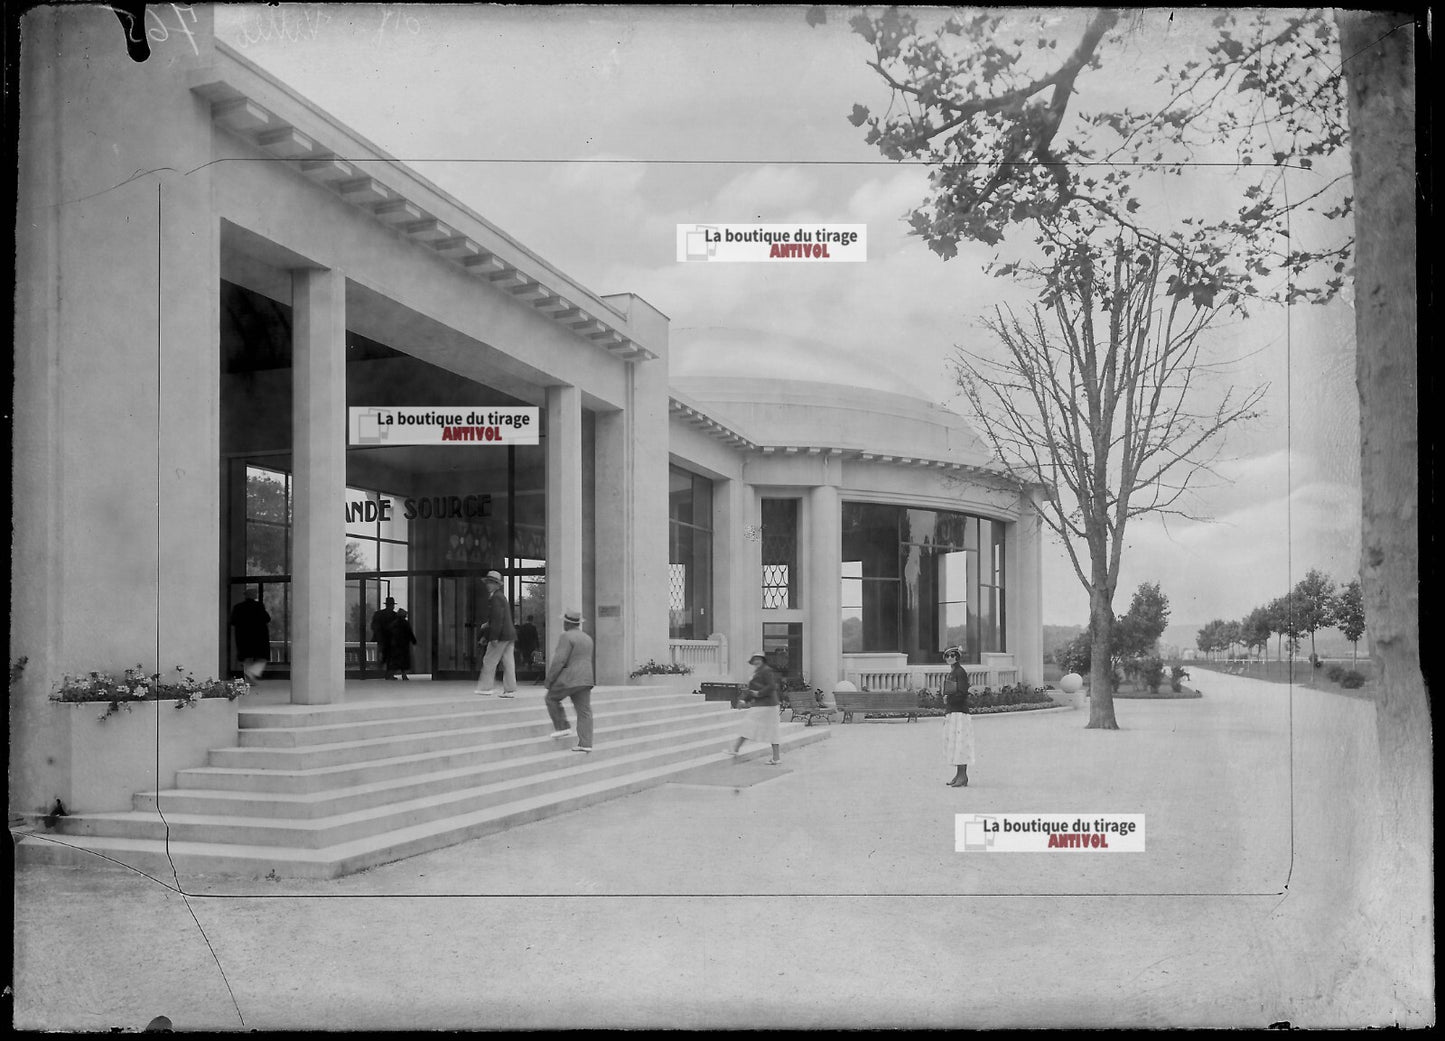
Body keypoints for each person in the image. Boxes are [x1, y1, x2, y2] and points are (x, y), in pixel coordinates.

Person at [543, 609, 595, 752]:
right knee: (584, 711)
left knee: (551, 699)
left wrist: (549, 680)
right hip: (586, 679)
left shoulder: (566, 636)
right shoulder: (587, 638)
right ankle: (586, 743)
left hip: (569, 678)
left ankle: (562, 727)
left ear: (567, 623)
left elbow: (559, 661)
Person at [729, 652, 782, 765]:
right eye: (754, 659)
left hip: (767, 704)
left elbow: (772, 686)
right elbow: (751, 689)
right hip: (765, 704)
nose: (756, 661)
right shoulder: (757, 672)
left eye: (758, 659)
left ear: (763, 660)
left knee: (749, 724)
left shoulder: (766, 670)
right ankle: (776, 757)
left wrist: (759, 694)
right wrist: (744, 700)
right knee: (770, 729)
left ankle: (735, 748)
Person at [473, 570, 518, 697]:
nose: (488, 585)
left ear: (497, 584)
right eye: (488, 582)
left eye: (491, 583)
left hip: (501, 635)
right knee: (508, 662)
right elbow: (496, 619)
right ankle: (510, 689)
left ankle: (486, 687)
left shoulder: (495, 598)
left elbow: (497, 619)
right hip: (509, 635)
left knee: (489, 660)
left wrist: (492, 637)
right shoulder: (501, 597)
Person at [942, 646, 975, 787]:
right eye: (947, 656)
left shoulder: (960, 672)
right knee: (955, 743)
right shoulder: (952, 672)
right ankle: (958, 774)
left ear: (957, 657)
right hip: (953, 711)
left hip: (960, 712)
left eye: (952, 655)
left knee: (961, 743)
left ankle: (963, 776)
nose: (950, 658)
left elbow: (962, 692)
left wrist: (948, 698)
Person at [229, 588, 271, 683]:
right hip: (258, 637)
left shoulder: (238, 607)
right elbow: (267, 618)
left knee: (246, 658)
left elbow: (233, 621)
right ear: (254, 596)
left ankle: (248, 678)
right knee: (262, 658)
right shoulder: (259, 606)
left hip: (243, 637)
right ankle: (252, 672)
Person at [370, 596, 398, 679]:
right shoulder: (394, 615)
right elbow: (374, 626)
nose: (392, 607)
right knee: (385, 657)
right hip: (385, 639)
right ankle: (385, 673)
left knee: (386, 657)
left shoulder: (379, 614)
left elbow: (374, 626)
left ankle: (384, 673)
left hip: (386, 640)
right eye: (391, 605)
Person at [387, 608, 417, 681]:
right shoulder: (405, 623)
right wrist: (414, 641)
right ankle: (403, 675)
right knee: (403, 661)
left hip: (395, 645)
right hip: (403, 644)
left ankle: (391, 675)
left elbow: (389, 634)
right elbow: (410, 633)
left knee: (395, 661)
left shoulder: (393, 624)